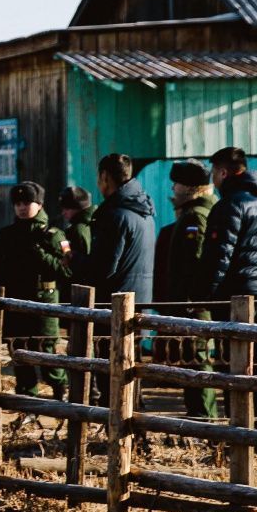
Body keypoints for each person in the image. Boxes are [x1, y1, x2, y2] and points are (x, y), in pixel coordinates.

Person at [0, 181, 70, 397]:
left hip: (44, 305)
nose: (22, 207)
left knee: (47, 355)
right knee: (20, 353)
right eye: (18, 203)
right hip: (16, 304)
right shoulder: (7, 235)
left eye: (28, 203)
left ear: (39, 204)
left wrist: (40, 254)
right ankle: (26, 399)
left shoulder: (52, 235)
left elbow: (66, 271)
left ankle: (61, 391)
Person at [153, 161, 219, 417]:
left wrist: (192, 298)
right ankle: (199, 416)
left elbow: (197, 261)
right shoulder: (194, 212)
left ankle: (204, 417)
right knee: (191, 358)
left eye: (177, 183)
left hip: (193, 305)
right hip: (189, 303)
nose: (173, 188)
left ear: (190, 187)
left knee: (196, 359)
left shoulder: (195, 216)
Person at [203, 147, 257, 301]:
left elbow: (221, 253)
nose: (213, 180)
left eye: (213, 174)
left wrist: (206, 293)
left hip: (237, 293)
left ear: (223, 173)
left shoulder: (230, 204)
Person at [82, 155, 154, 301]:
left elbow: (103, 268)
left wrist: (74, 260)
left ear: (104, 177)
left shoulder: (115, 216)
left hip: (116, 307)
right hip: (140, 301)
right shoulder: (144, 210)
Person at [55, 186, 96, 279]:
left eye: (67, 209)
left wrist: (64, 246)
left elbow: (77, 263)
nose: (63, 213)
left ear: (78, 208)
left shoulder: (78, 229)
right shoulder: (93, 223)